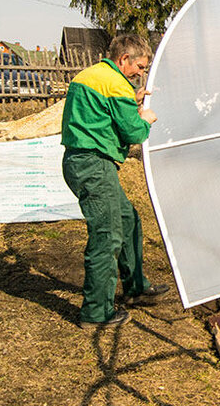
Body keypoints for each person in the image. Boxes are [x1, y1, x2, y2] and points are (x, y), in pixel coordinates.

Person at [61, 33, 169, 328]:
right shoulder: (117, 85)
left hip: (78, 162)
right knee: (106, 236)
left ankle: (135, 288)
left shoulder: (90, 75)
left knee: (128, 219)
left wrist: (129, 99)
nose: (142, 74)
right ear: (124, 59)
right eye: (140, 67)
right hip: (94, 166)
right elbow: (133, 133)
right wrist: (145, 118)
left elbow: (98, 111)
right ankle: (97, 313)